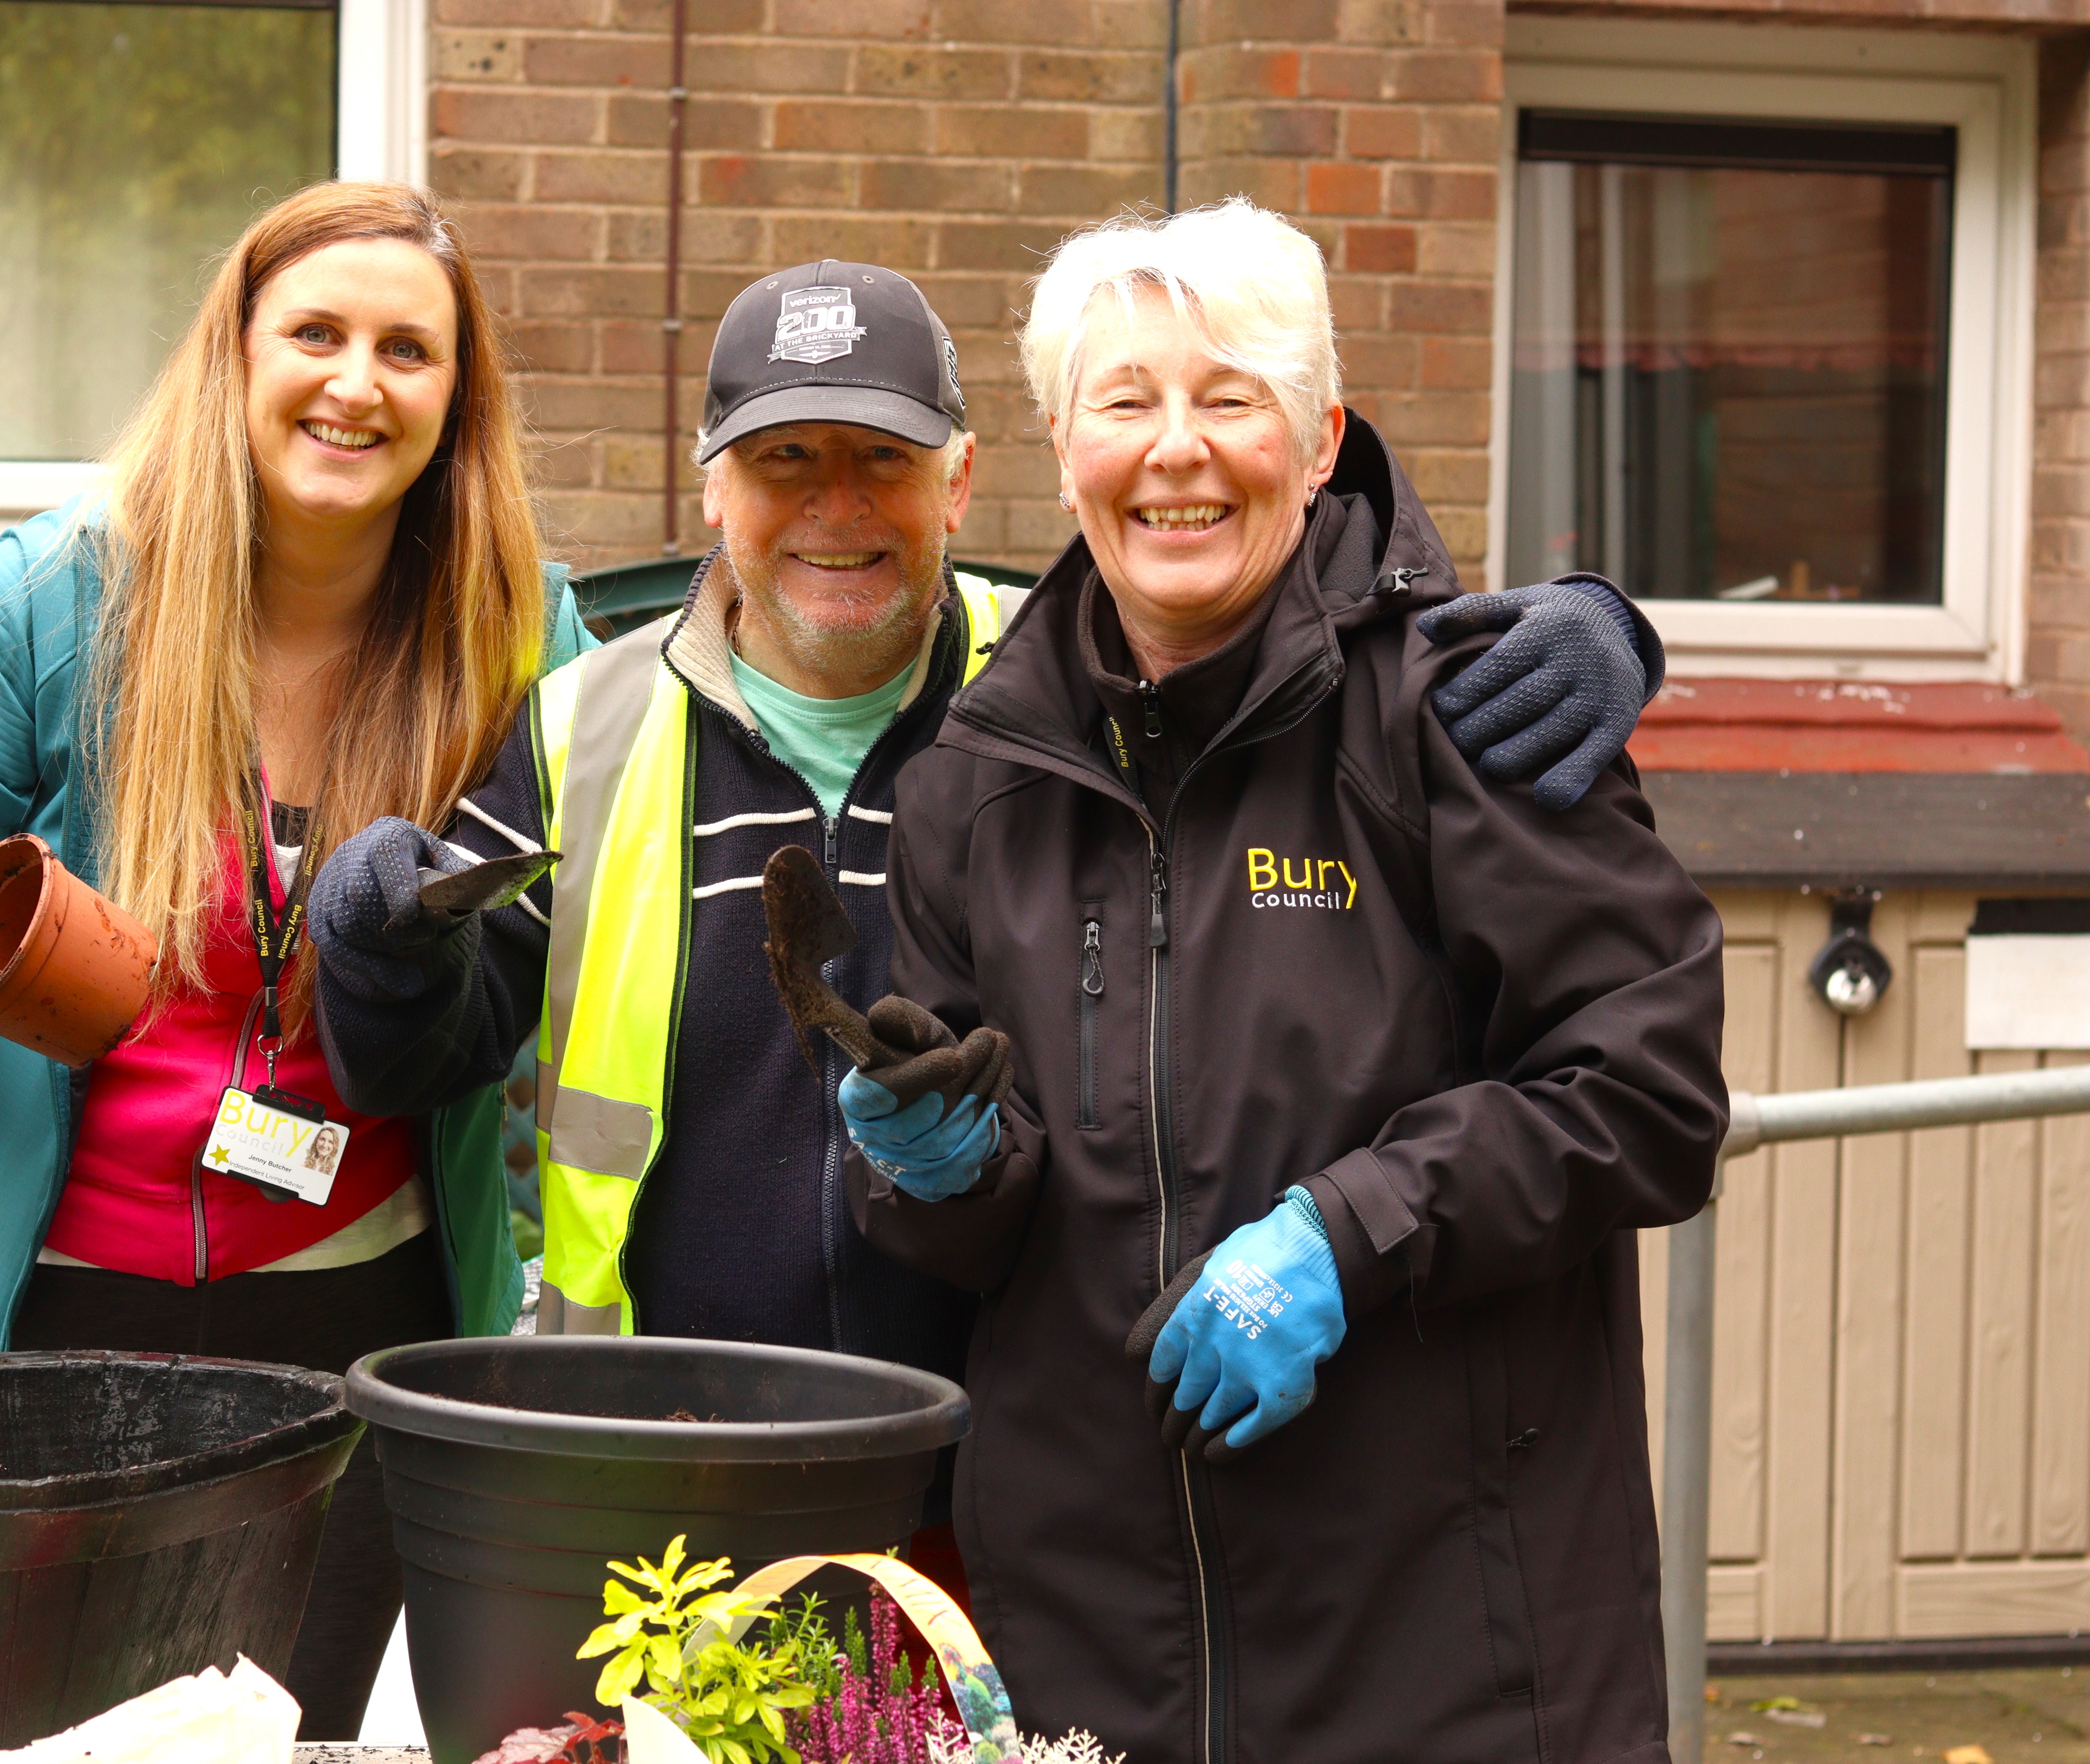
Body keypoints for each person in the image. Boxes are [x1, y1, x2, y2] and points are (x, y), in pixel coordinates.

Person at [306, 258, 1663, 1589]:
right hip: (665, 1475)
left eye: (882, 461)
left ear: (960, 479)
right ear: (712, 485)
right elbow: (432, 1054)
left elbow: (1296, 642)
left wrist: (1585, 625)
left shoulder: (1073, 687)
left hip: (1018, 1492)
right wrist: (378, 948)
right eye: (786, 462)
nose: (838, 509)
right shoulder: (581, 728)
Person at [841, 199, 1729, 1763]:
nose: (1174, 450)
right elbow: (982, 1241)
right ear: (1062, 444)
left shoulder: (1471, 717)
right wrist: (938, 1168)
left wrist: (1351, 1228)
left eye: (1230, 396)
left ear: (1321, 439)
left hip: (1446, 1652)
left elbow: (1648, 1090)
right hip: (1089, 1663)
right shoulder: (973, 784)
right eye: (1125, 401)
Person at [0, 182, 591, 1737]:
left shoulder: (515, 634)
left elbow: (551, 970)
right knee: (33, 1730)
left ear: (454, 403)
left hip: (367, 1313)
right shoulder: (46, 604)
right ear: (234, 355)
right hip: (47, 1313)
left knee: (319, 1725)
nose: (357, 382)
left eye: (408, 352)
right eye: (318, 333)